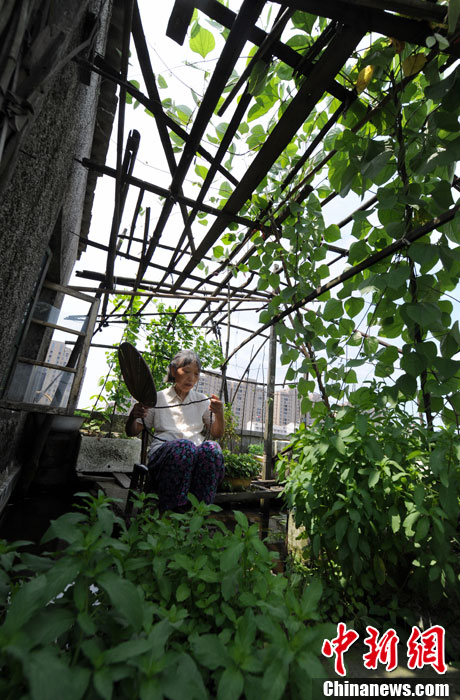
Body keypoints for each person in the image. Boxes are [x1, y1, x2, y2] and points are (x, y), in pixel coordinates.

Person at [126, 349, 225, 511]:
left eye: (196, 374)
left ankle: (199, 512)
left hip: (194, 455)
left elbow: (217, 433)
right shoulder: (157, 398)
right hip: (165, 456)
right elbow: (132, 431)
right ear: (173, 371)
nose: (191, 378)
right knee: (185, 448)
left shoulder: (201, 400)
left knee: (212, 449)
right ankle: (172, 512)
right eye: (186, 371)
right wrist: (132, 417)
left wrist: (219, 414)